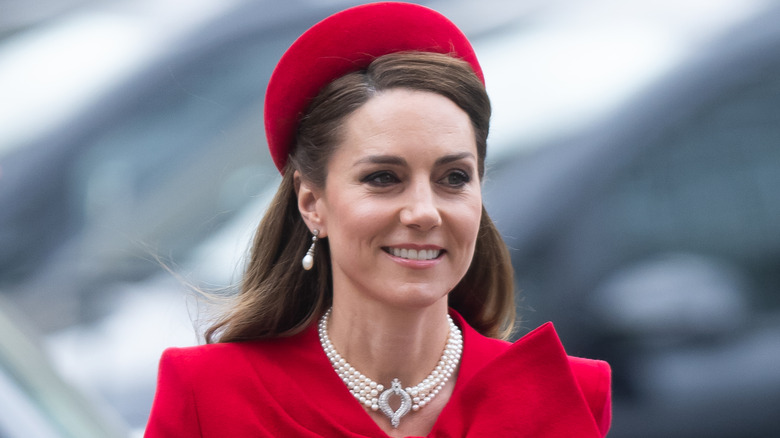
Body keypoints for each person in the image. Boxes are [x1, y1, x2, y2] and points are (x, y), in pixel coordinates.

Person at [144, 3, 611, 437]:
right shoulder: (208, 394)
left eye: (453, 177)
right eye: (384, 177)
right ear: (312, 203)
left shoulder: (564, 394)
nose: (424, 211)